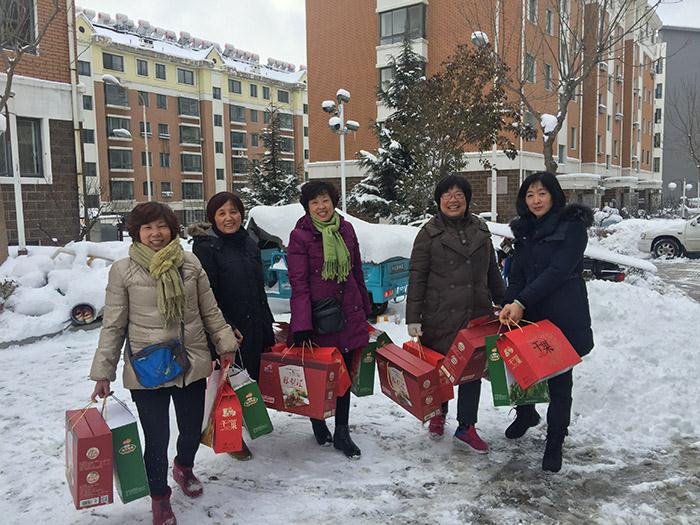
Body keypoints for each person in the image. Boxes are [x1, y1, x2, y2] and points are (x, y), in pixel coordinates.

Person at [90, 202, 239, 525]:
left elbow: (210, 310)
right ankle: (159, 497)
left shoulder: (190, 263)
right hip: (148, 368)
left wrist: (225, 343)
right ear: (137, 233)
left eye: (161, 226)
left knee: (191, 429)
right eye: (147, 228)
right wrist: (103, 372)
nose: (155, 234)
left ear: (172, 229)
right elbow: (113, 325)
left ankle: (184, 466)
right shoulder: (123, 270)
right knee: (156, 438)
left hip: (191, 362)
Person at [499, 171, 594, 473]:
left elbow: (558, 271)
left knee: (559, 382)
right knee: (522, 370)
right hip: (530, 313)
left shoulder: (572, 227)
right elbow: (517, 274)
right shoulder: (524, 230)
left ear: (554, 195)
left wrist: (521, 302)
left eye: (542, 193)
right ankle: (526, 414)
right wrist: (509, 302)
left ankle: (555, 439)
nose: (536, 200)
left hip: (562, 315)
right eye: (530, 195)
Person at [406, 175, 505, 452]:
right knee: (441, 370)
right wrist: (413, 318)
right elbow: (417, 278)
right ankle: (438, 414)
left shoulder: (481, 229)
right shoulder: (428, 234)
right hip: (440, 315)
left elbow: (492, 271)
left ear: (467, 199)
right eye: (447, 195)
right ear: (439, 201)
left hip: (476, 314)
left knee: (472, 372)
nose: (453, 199)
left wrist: (504, 302)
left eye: (459, 194)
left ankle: (467, 427)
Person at [287, 181, 371, 459]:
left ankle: (342, 432)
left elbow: (356, 270)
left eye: (325, 200)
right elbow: (299, 283)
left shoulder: (346, 229)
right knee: (319, 376)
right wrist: (302, 325)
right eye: (314, 202)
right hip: (320, 319)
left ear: (333, 202)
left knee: (344, 375)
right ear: (307, 207)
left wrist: (365, 305)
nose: (321, 207)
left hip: (348, 312)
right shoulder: (300, 236)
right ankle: (317, 420)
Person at [191, 191, 276, 460]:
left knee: (248, 378)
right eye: (222, 213)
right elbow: (207, 295)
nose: (229, 218)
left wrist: (268, 322)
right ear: (212, 218)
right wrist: (225, 326)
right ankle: (229, 436)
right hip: (229, 329)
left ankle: (244, 421)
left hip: (255, 322)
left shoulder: (249, 243)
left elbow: (258, 288)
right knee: (228, 383)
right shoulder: (206, 247)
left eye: (234, 212)